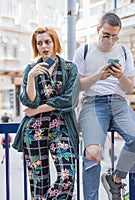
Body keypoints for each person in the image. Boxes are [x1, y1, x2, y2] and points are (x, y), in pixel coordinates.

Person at [72, 12, 135, 200]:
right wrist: (98, 75)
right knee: (93, 152)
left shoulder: (123, 52)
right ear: (98, 30)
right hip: (93, 102)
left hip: (119, 102)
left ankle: (116, 179)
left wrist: (120, 76)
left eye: (115, 36)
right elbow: (77, 86)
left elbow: (130, 88)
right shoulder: (84, 51)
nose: (110, 40)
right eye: (106, 35)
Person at [12, 26, 80, 200]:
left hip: (62, 127)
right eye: (39, 43)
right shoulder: (31, 68)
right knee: (38, 183)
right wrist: (31, 79)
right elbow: (29, 101)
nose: (44, 46)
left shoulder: (70, 68)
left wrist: (39, 109)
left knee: (67, 177)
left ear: (55, 42)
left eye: (47, 42)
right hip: (34, 130)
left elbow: (69, 100)